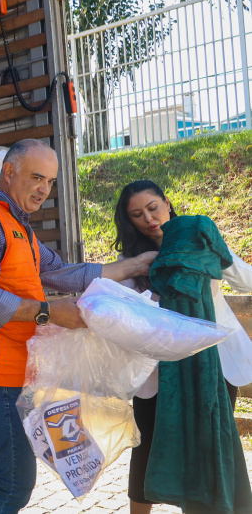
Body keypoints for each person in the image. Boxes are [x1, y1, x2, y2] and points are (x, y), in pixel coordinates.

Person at [0, 139, 157, 514]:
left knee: (4, 478)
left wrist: (133, 265)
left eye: (51, 182)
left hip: (17, 372)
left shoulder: (20, 229)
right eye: (37, 177)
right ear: (9, 172)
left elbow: (61, 272)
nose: (44, 189)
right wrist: (48, 312)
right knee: (12, 483)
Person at [113, 179, 252, 514]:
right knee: (146, 445)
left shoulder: (199, 236)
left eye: (152, 207)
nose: (148, 218)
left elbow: (246, 280)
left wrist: (217, 250)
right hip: (158, 370)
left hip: (215, 362)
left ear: (167, 202)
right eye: (137, 214)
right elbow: (129, 312)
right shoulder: (131, 259)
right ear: (129, 221)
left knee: (208, 443)